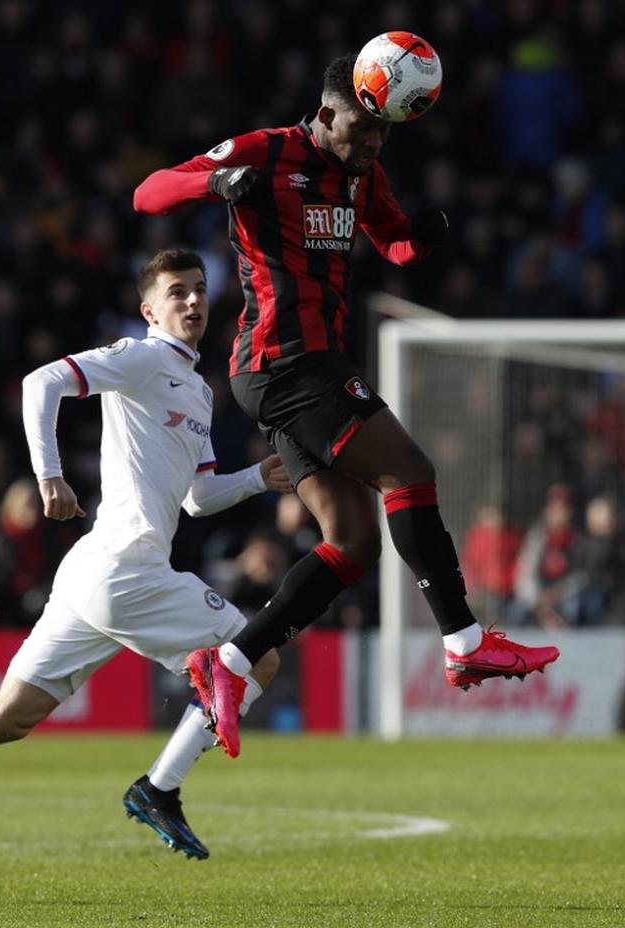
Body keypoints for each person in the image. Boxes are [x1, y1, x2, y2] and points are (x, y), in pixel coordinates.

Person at [134, 53, 559, 756]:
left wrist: (428, 232)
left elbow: (390, 242)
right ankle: (463, 640)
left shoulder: (362, 174)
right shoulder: (266, 152)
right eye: (364, 129)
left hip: (306, 363)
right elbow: (149, 193)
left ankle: (230, 663)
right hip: (285, 359)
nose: (372, 144)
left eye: (383, 134)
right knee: (412, 471)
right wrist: (214, 181)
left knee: (353, 543)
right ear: (329, 111)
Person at [0, 248, 289, 902]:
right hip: (126, 572)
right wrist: (48, 474)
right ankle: (160, 787)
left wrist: (257, 479)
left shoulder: (195, 388)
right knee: (260, 656)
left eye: (198, 291)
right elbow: (40, 382)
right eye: (177, 293)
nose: (192, 302)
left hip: (100, 573)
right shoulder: (140, 356)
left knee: (11, 715)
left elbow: (197, 496)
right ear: (149, 309)